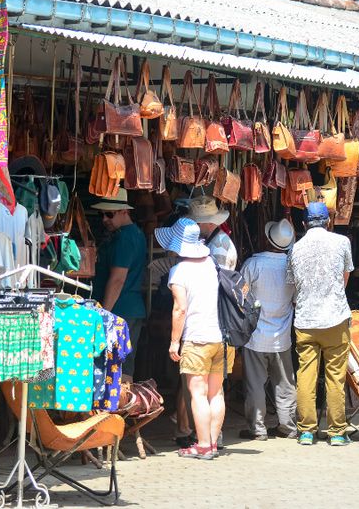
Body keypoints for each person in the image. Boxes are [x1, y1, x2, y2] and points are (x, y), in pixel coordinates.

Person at [156, 217, 233, 460]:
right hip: (222, 337)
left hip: (197, 339)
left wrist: (173, 341)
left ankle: (202, 444)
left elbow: (180, 309)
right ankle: (210, 443)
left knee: (197, 392)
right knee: (216, 393)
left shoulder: (179, 271)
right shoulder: (212, 263)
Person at [287, 202, 354, 447]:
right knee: (335, 376)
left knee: (305, 374)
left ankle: (306, 431)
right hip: (335, 317)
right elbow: (344, 277)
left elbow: (292, 283)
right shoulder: (342, 242)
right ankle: (336, 432)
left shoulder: (295, 249)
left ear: (304, 224)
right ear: (328, 222)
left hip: (305, 319)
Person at [239, 219, 297, 441]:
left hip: (255, 336)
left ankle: (258, 429)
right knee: (284, 384)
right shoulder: (291, 266)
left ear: (267, 239)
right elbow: (295, 300)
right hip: (282, 336)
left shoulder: (253, 265)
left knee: (255, 385)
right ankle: (288, 426)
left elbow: (241, 296)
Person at [92, 188, 147, 376]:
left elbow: (117, 279)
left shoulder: (124, 237)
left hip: (119, 311)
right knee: (124, 366)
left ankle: (117, 405)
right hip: (128, 310)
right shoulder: (135, 234)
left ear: (124, 211)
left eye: (109, 214)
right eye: (102, 214)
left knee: (113, 368)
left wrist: (103, 313)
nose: (104, 219)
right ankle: (124, 403)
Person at [186, 196, 237, 271]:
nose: (194, 226)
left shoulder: (219, 247)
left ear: (210, 223)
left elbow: (220, 279)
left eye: (197, 223)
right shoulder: (215, 239)